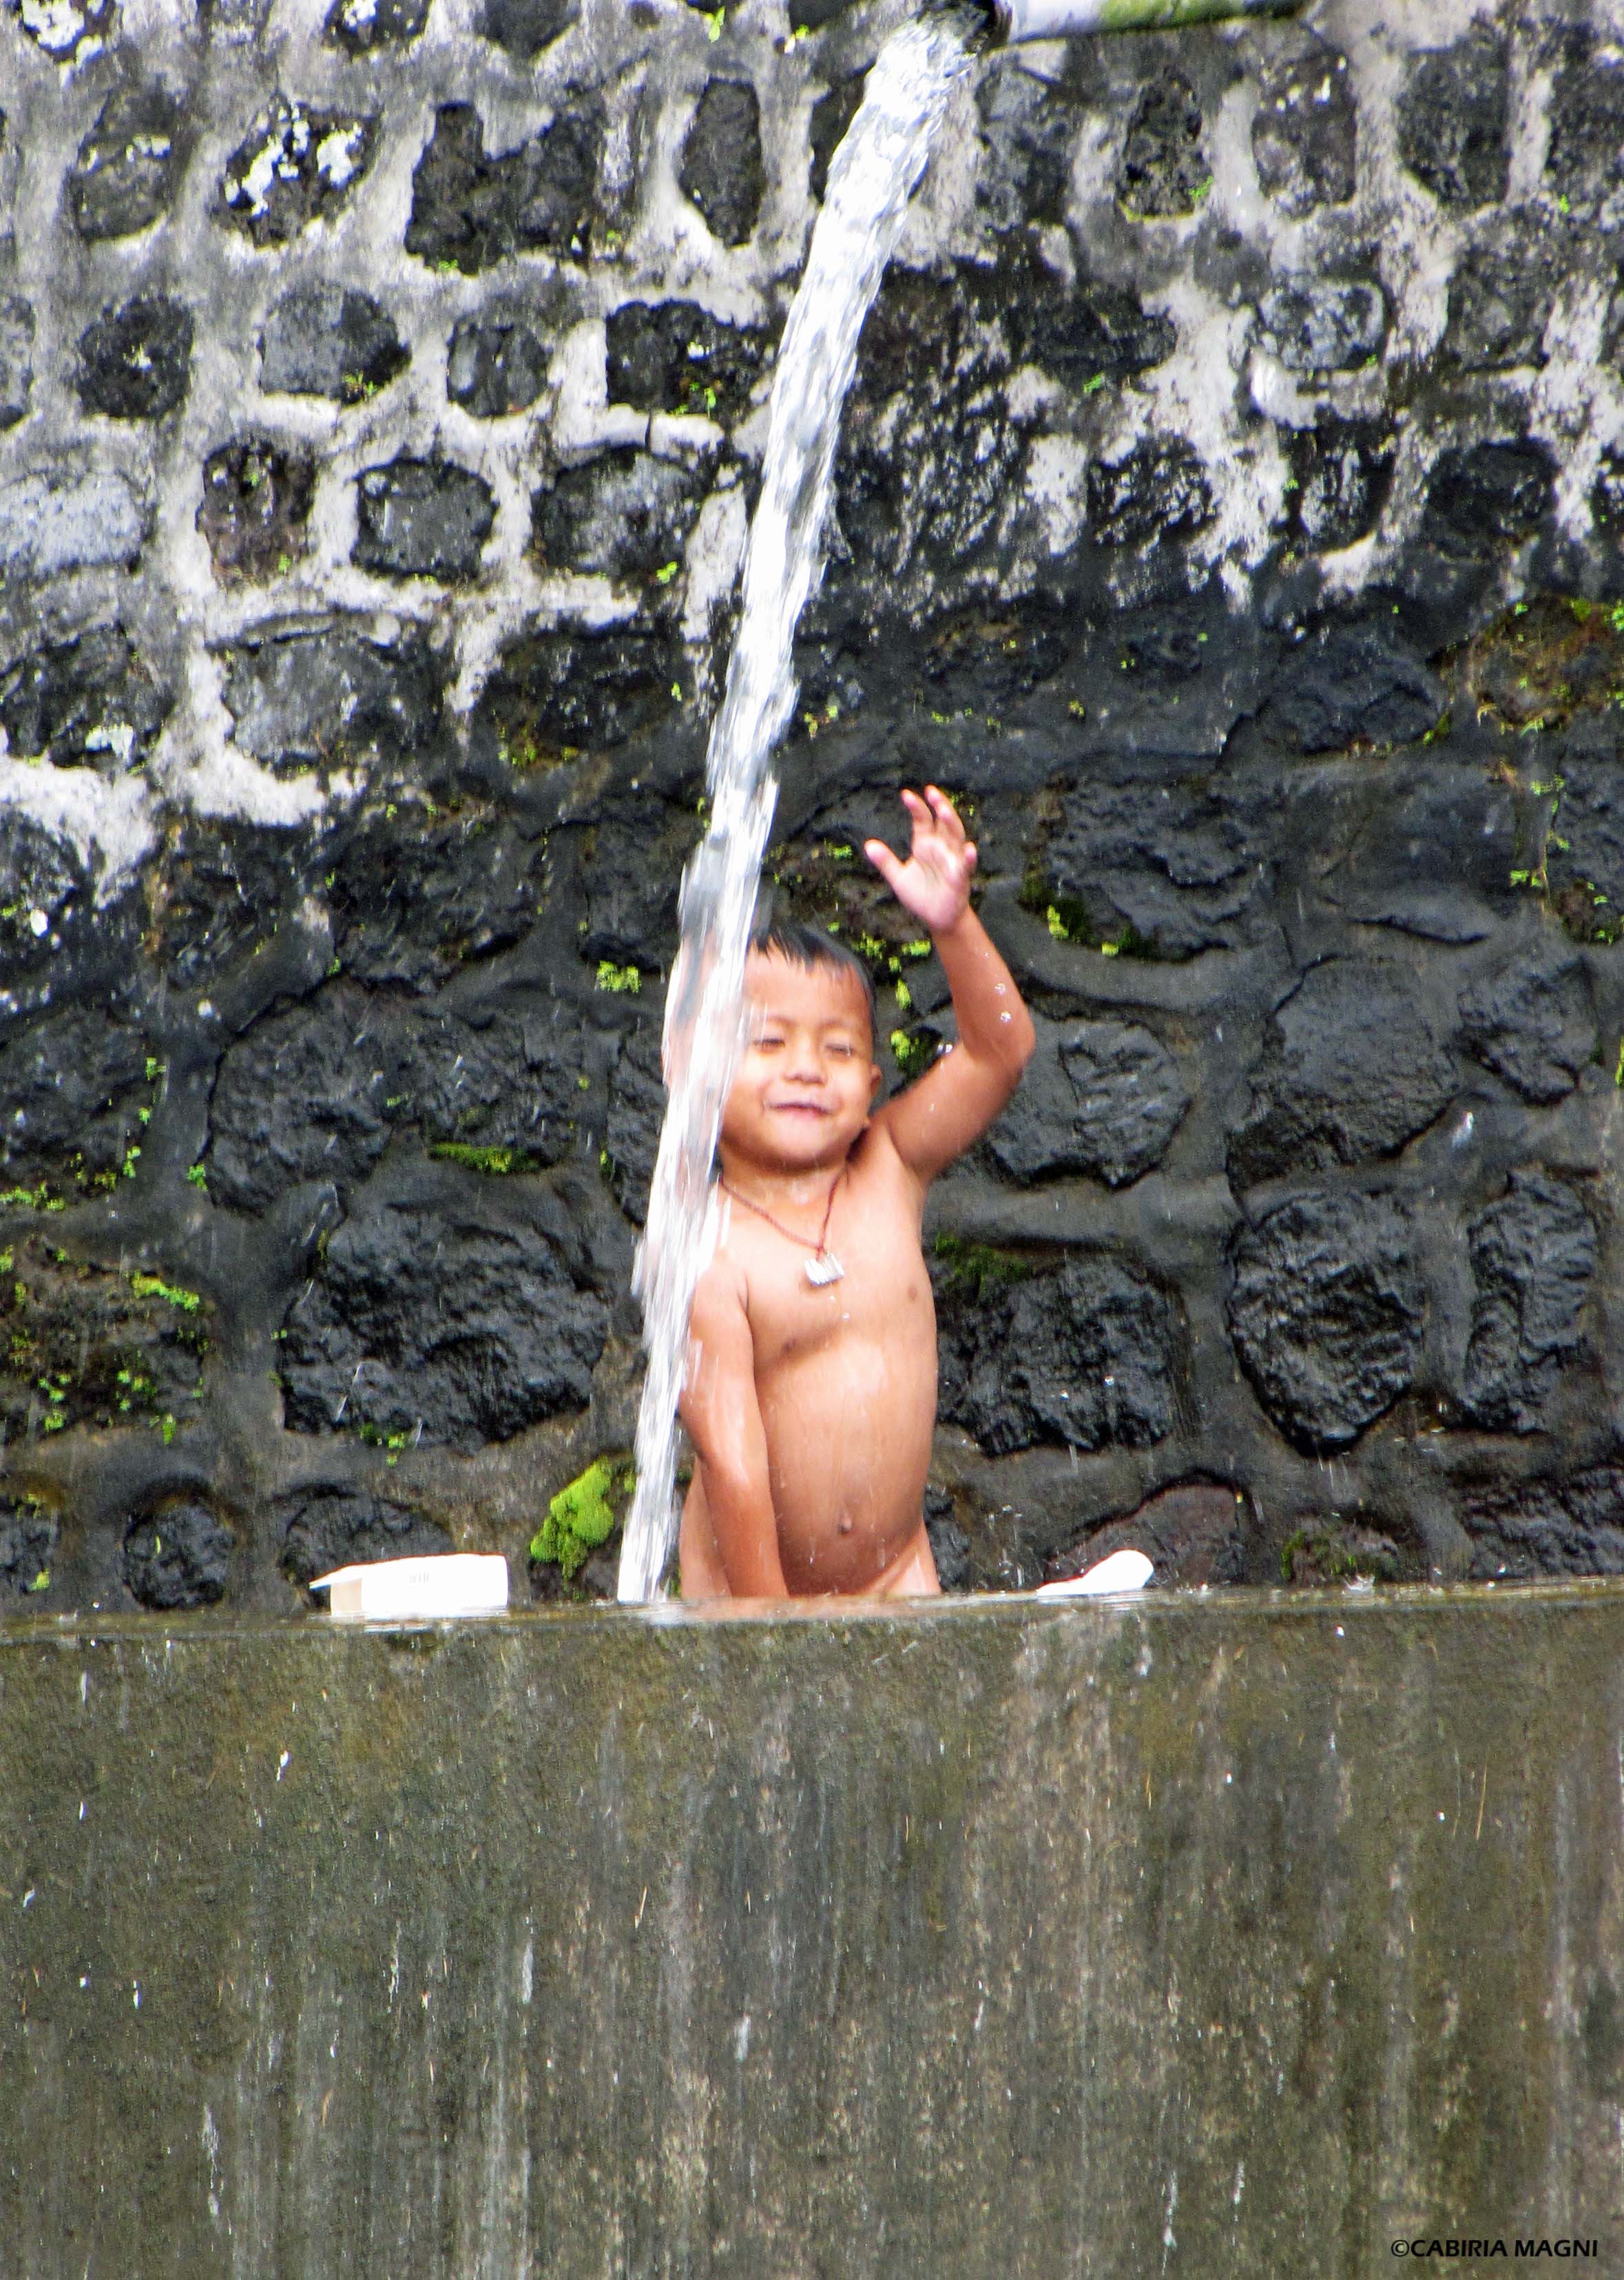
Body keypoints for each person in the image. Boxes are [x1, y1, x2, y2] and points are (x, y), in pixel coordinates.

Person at [678, 785, 1036, 1600]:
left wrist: (954, 924)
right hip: (753, 1595)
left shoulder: (889, 1167)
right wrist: (775, 1632)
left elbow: (1001, 1054)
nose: (807, 1068)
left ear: (872, 1084)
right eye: (768, 1042)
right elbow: (732, 1459)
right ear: (701, 1074)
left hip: (897, 1573)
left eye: (838, 1050)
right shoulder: (710, 1252)